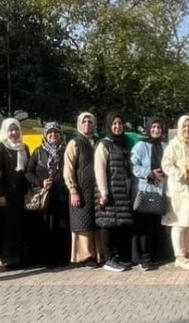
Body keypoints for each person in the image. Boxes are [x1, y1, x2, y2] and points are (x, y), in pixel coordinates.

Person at [25, 122, 71, 269]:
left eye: (56, 133)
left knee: (62, 227)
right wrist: (40, 182)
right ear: (45, 135)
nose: (53, 135)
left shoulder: (66, 151)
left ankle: (63, 258)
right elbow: (28, 172)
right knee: (46, 228)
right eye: (50, 133)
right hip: (45, 197)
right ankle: (47, 259)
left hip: (62, 195)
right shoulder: (38, 152)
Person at [95, 112, 135, 272]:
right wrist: (104, 192)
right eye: (114, 124)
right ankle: (109, 259)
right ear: (109, 126)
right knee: (107, 225)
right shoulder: (104, 144)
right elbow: (99, 169)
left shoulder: (123, 143)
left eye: (120, 123)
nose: (117, 127)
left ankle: (117, 257)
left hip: (122, 191)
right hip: (109, 191)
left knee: (119, 225)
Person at [0, 118, 30, 270]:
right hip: (6, 195)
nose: (13, 133)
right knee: (7, 228)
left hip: (20, 194)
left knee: (20, 226)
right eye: (10, 130)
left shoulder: (24, 147)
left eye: (16, 129)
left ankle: (19, 256)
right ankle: (9, 259)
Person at [162, 115, 189, 270]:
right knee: (178, 223)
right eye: (184, 126)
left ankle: (187, 252)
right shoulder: (174, 145)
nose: (187, 129)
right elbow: (166, 164)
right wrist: (180, 174)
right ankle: (179, 256)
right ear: (179, 128)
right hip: (178, 188)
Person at [64, 113, 103, 268]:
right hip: (80, 189)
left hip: (96, 189)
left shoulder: (99, 142)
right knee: (83, 223)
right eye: (84, 122)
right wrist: (73, 190)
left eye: (90, 121)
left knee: (96, 222)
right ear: (79, 124)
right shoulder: (75, 143)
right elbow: (68, 168)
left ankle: (99, 254)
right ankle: (86, 256)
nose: (87, 124)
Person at [131, 117, 167, 270]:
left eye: (158, 127)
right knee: (143, 227)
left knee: (155, 226)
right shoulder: (141, 145)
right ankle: (143, 258)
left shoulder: (164, 146)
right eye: (153, 127)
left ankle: (154, 256)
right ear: (148, 128)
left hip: (159, 191)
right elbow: (133, 166)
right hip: (144, 191)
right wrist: (150, 173)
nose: (156, 130)